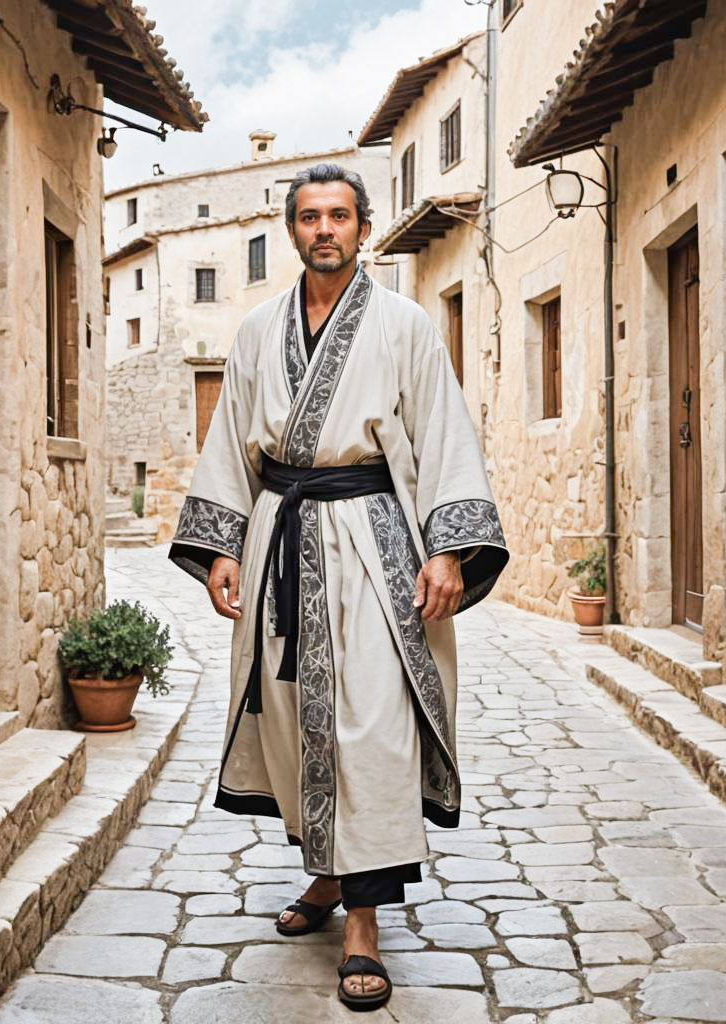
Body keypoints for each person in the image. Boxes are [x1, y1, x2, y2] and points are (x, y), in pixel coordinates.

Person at [169, 163, 507, 1010]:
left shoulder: (404, 326)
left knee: (372, 731)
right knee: (297, 724)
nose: (325, 229)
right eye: (310, 217)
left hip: (375, 545)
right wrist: (223, 546)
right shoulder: (254, 331)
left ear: (364, 227)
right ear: (292, 231)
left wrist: (447, 551)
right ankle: (324, 879)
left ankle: (364, 922)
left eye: (340, 216)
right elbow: (230, 442)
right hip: (282, 533)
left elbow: (441, 435)